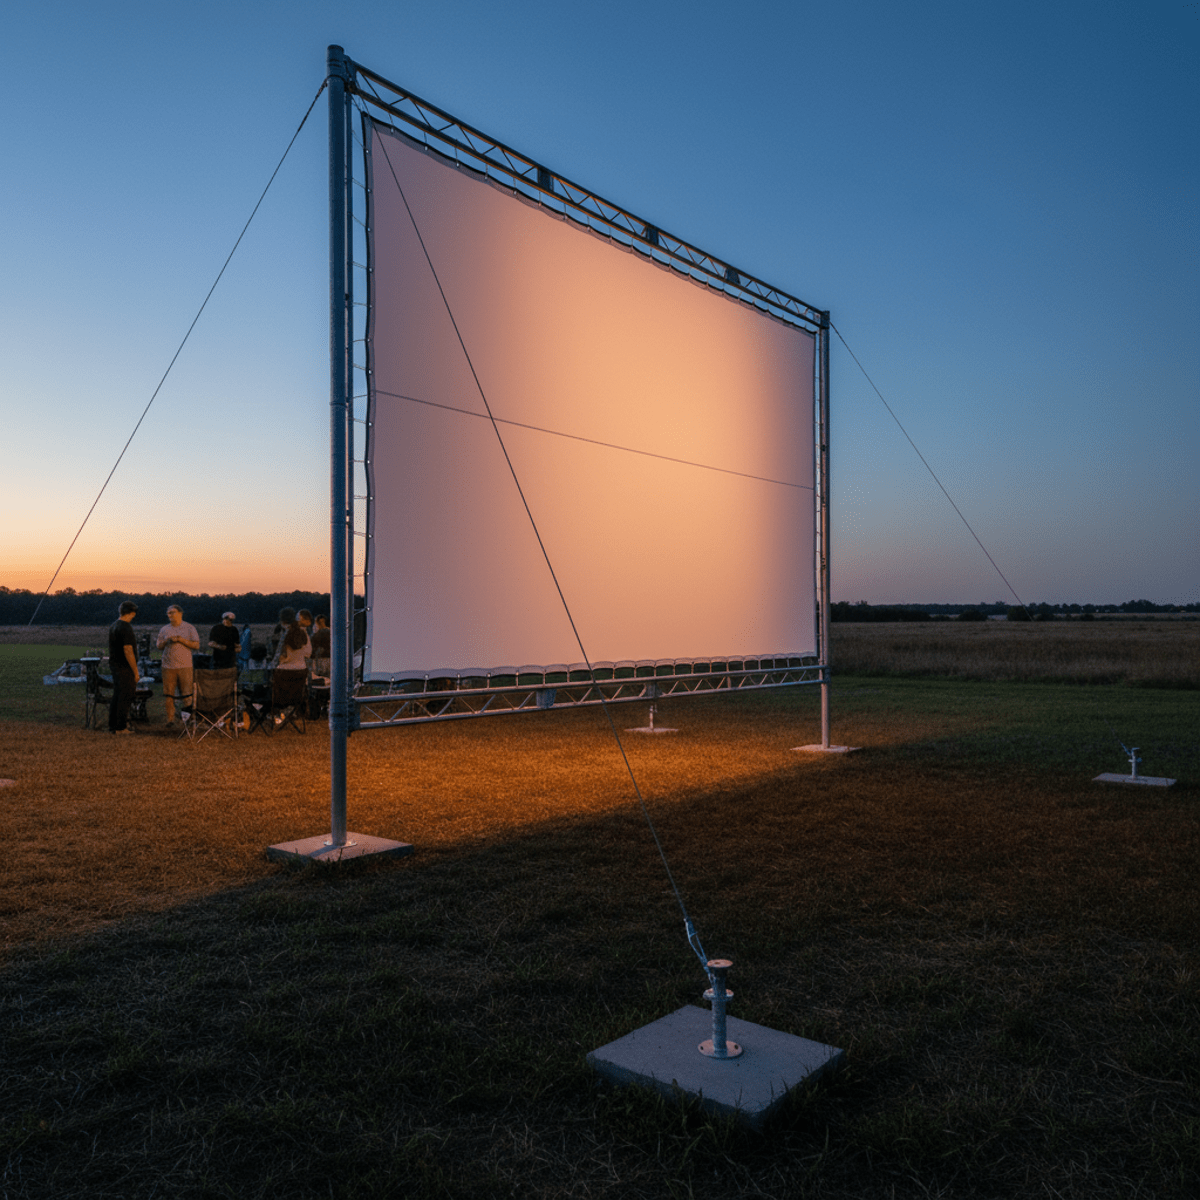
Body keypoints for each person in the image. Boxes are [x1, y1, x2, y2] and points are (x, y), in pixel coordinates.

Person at [157, 605, 200, 725]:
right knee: (169, 694)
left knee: (187, 694)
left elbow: (196, 645)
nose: (170, 615)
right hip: (168, 666)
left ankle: (188, 719)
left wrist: (181, 640)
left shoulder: (189, 628)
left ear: (180, 613)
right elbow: (159, 646)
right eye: (168, 613)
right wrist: (167, 641)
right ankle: (170, 720)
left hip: (185, 666)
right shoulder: (164, 629)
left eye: (172, 612)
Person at [107, 600, 140, 734]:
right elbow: (128, 650)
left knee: (117, 695)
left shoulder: (114, 625)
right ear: (132, 613)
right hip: (125, 667)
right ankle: (121, 727)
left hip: (115, 665)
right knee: (125, 695)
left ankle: (113, 725)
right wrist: (135, 671)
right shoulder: (126, 627)